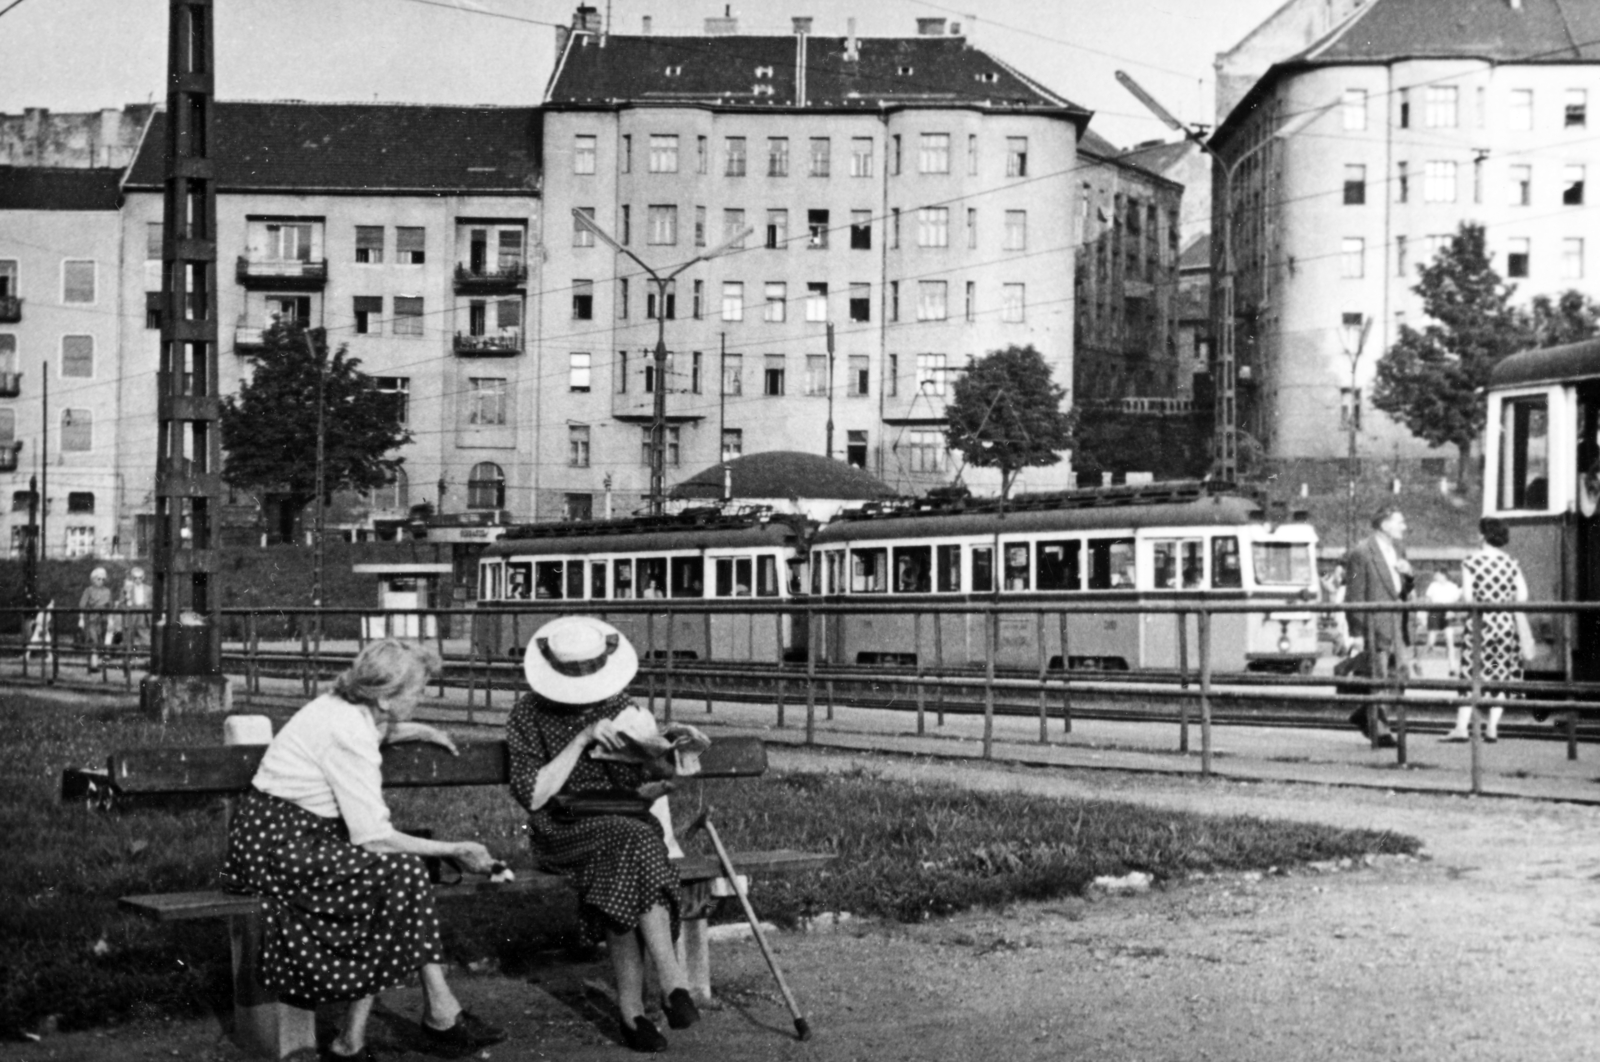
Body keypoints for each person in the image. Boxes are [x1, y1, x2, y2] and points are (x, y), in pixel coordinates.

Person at [221, 640, 507, 1061]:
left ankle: (368, 1036)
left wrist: (419, 730)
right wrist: (455, 848)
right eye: (418, 690)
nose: (422, 696)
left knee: (402, 876)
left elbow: (373, 732)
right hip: (276, 849)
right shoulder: (348, 730)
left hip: (296, 837)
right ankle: (431, 1017)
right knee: (403, 871)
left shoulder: (345, 708)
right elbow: (372, 837)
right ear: (386, 697)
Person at [507, 617, 699, 1053]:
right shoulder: (527, 714)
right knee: (632, 844)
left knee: (626, 854)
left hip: (624, 824)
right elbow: (533, 797)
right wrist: (580, 739)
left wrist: (665, 765)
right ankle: (672, 982)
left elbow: (642, 787)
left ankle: (633, 1013)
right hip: (563, 828)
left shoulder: (621, 706)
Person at [1441, 518, 1534, 743]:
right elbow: (1522, 595)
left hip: (1480, 625)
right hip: (1504, 625)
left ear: (1484, 535)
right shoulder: (1511, 562)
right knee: (1498, 672)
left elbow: (1468, 597)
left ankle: (1462, 728)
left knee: (1472, 674)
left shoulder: (1471, 562)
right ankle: (1492, 728)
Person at [1342, 507, 1415, 748]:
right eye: (1399, 522)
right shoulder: (1361, 553)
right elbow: (1354, 594)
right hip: (1375, 625)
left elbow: (1402, 590)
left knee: (1399, 677)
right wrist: (1356, 633)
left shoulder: (1398, 550)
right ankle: (1380, 731)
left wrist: (1409, 575)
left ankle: (1365, 714)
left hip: (1397, 624)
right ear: (1384, 525)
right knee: (1378, 677)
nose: (1404, 527)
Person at [77, 567, 113, 671]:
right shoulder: (88, 590)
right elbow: (82, 605)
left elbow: (110, 607)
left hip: (103, 618)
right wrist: (81, 619)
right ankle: (93, 665)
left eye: (103, 579)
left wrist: (110, 620)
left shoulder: (107, 591)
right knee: (93, 639)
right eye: (98, 579)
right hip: (92, 618)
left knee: (101, 640)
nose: (101, 581)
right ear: (93, 579)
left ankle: (99, 664)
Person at [117, 566, 152, 652]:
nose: (138, 580)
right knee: (128, 636)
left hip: (143, 614)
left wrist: (147, 608)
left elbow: (153, 603)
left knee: (145, 636)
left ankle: (146, 656)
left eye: (140, 577)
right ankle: (128, 657)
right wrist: (128, 607)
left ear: (143, 577)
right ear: (132, 578)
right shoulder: (126, 589)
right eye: (135, 578)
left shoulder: (149, 589)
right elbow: (120, 604)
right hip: (131, 615)